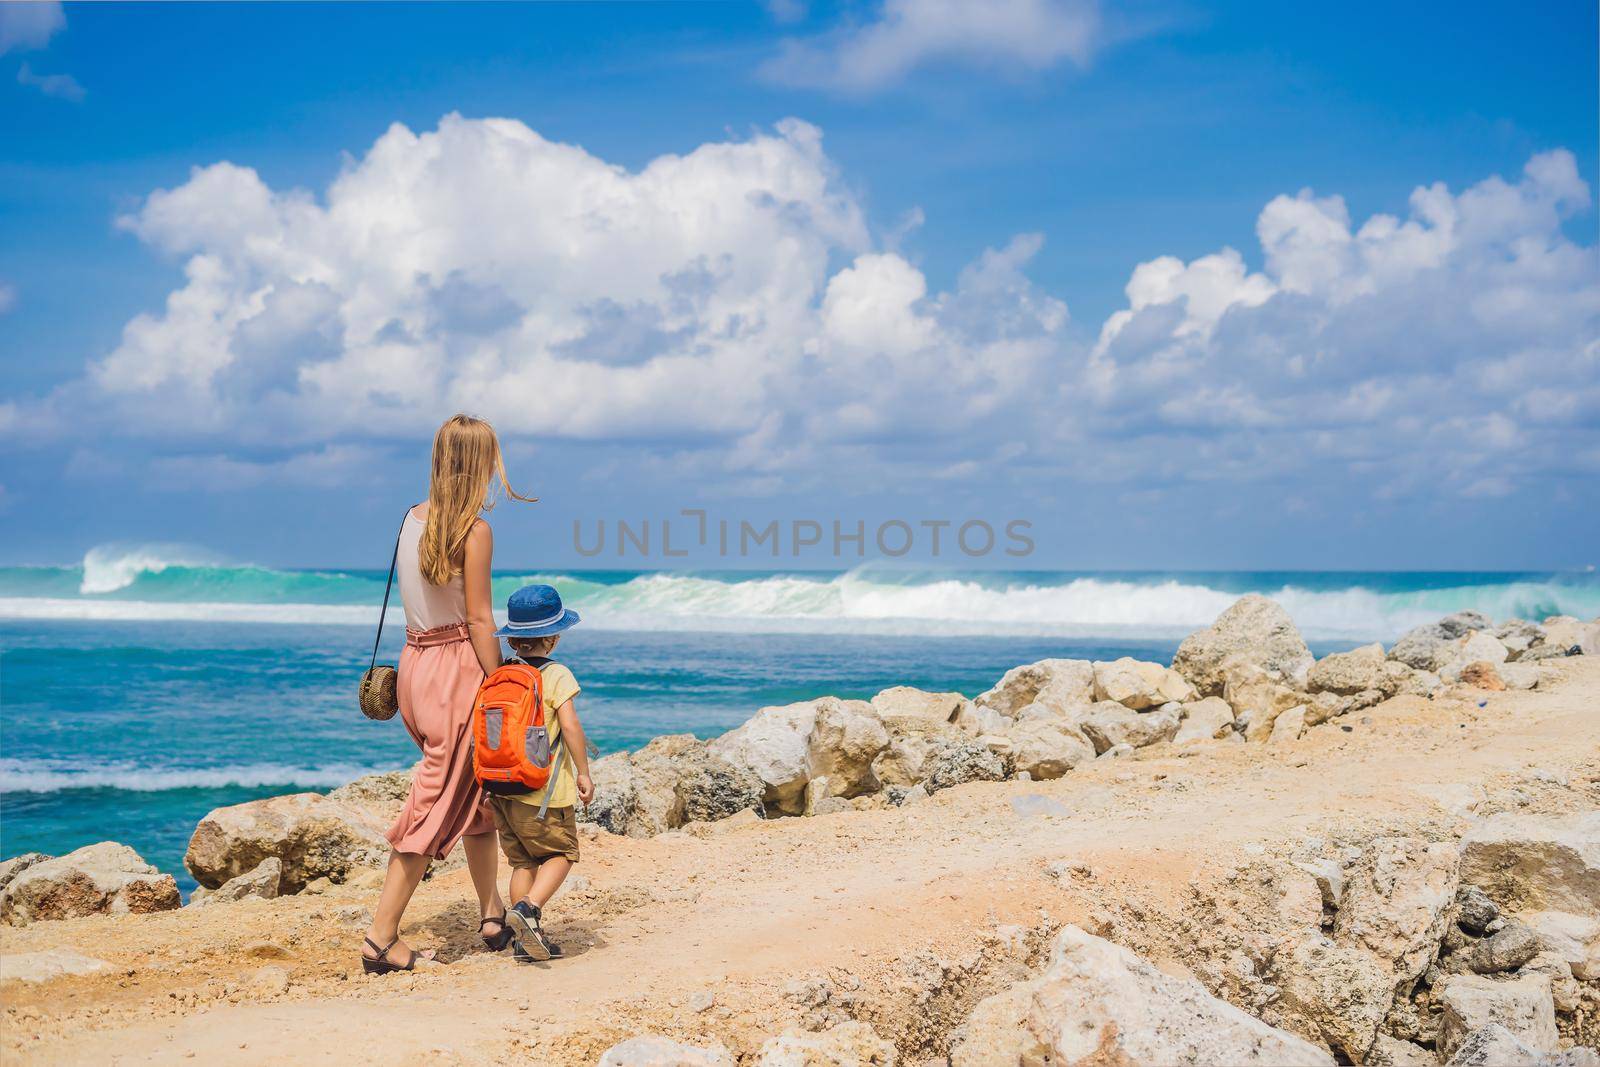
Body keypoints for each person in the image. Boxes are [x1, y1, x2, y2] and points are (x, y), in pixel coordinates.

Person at [361, 414, 535, 975]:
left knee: (474, 796)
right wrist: (505, 680)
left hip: (416, 668)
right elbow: (481, 619)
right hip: (459, 671)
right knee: (435, 803)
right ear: (479, 464)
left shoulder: (409, 521)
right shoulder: (475, 530)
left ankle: (492, 914)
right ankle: (381, 938)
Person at [487, 583, 593, 962]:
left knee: (522, 863)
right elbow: (571, 727)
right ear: (553, 637)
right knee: (562, 853)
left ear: (514, 640)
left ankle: (523, 940)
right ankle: (529, 909)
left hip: (501, 788)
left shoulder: (501, 673)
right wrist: (583, 771)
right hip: (544, 790)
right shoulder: (557, 674)